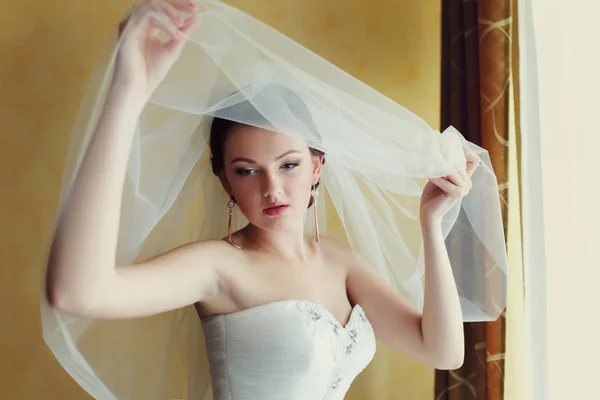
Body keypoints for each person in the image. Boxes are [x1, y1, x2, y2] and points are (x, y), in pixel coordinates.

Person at [43, 1, 507, 399]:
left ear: (317, 167)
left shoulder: (340, 261)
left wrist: (430, 223)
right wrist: (129, 92)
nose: (272, 188)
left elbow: (441, 350)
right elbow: (76, 292)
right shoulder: (219, 268)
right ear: (225, 181)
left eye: (288, 164)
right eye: (246, 171)